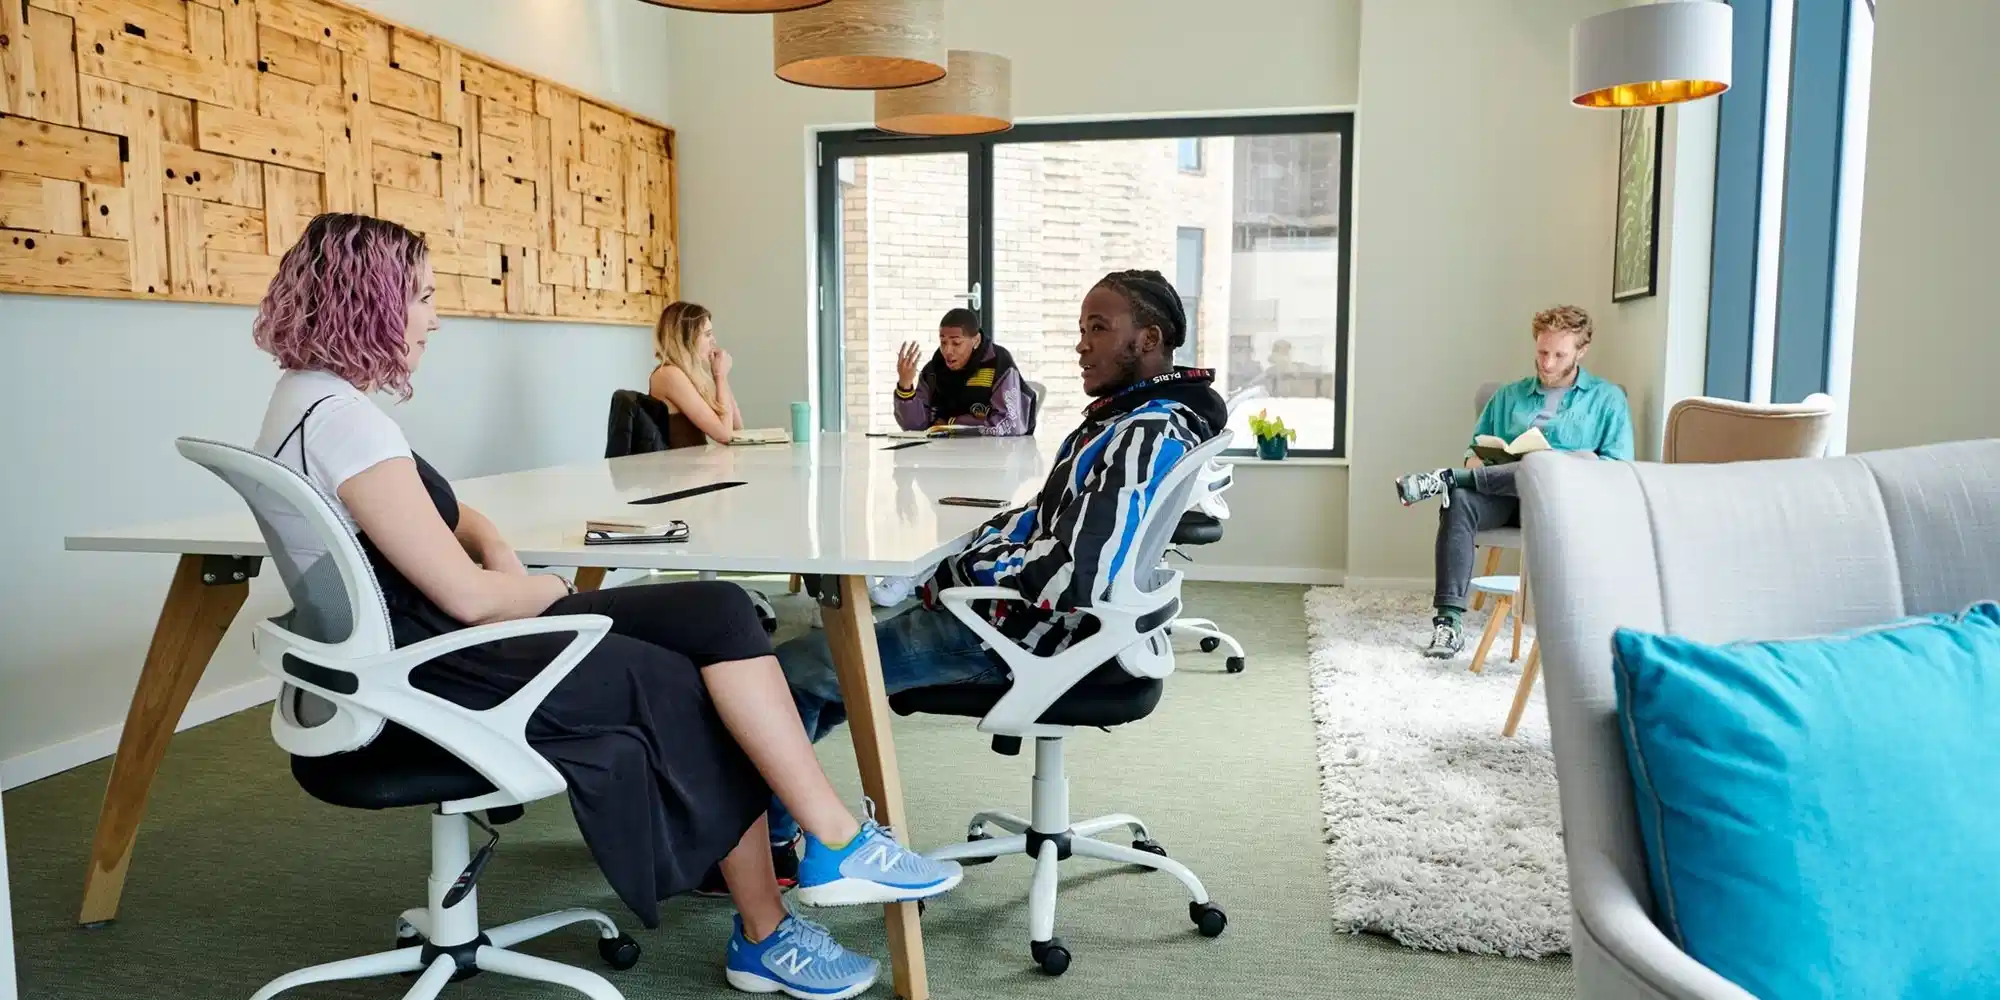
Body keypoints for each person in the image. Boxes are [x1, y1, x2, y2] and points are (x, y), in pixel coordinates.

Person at [250, 213, 959, 1000]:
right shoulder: (346, 424)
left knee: (721, 612)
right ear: (368, 301)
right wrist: (549, 591)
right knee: (686, 683)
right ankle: (766, 933)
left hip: (432, 640)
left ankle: (833, 840)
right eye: (421, 296)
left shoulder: (311, 403)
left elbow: (441, 516)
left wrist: (496, 546)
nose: (435, 317)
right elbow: (467, 596)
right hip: (440, 664)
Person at [762, 270, 1228, 856]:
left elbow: (1075, 574)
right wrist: (966, 552)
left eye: (1098, 329)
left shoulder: (1144, 433)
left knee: (783, 677)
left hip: (1019, 635)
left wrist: (960, 571)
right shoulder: (1135, 420)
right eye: (1082, 329)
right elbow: (1047, 522)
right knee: (829, 675)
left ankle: (770, 849)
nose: (1081, 345)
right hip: (1044, 626)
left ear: (1149, 338)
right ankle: (775, 827)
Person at [1392, 304, 1634, 658]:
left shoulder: (1607, 399)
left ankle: (1445, 479)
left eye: (1558, 355)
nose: (1547, 363)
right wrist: (1482, 464)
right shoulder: (1508, 396)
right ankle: (1448, 624)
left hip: (1565, 507)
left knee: (1542, 465)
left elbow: (1616, 469)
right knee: (1459, 500)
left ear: (1581, 351)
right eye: (1542, 352)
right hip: (1505, 498)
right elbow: (1474, 453)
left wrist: (1559, 464)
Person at [893, 308, 1031, 436]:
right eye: (943, 342)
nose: (947, 351)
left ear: (976, 340)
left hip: (992, 452)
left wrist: (952, 425)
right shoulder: (933, 370)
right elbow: (914, 427)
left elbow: (1010, 425)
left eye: (956, 343)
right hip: (942, 451)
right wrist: (905, 385)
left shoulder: (998, 364)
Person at [649, 300, 744, 446]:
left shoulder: (693, 373)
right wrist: (720, 376)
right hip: (679, 461)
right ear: (686, 338)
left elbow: (737, 426)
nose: (713, 340)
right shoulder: (669, 374)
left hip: (696, 459)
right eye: (707, 334)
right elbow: (725, 435)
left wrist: (720, 376)